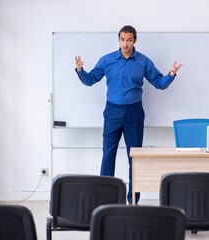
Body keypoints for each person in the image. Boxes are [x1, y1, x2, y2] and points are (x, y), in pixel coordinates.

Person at [74, 25, 182, 204]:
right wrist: (80, 70)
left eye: (129, 40)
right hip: (112, 112)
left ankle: (133, 201)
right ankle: (105, 199)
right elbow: (90, 80)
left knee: (135, 158)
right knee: (108, 155)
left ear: (135, 41)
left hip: (134, 113)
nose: (125, 44)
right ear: (119, 40)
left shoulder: (143, 61)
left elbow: (159, 83)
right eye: (122, 39)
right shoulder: (107, 60)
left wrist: (170, 74)